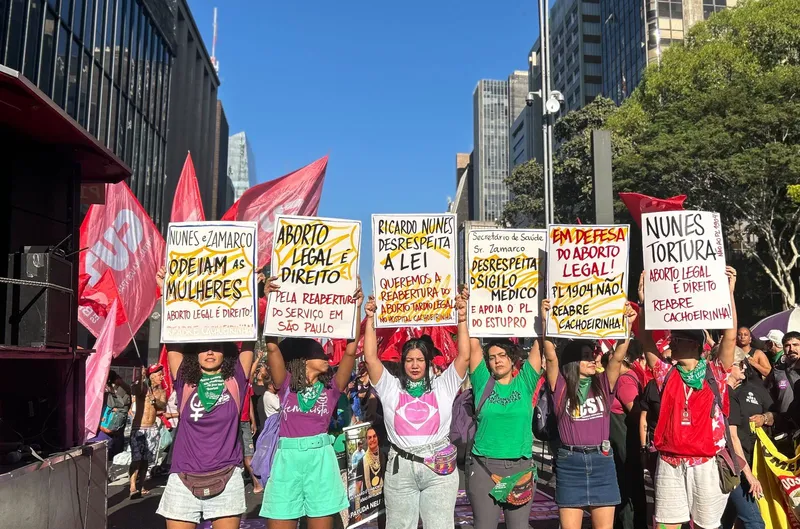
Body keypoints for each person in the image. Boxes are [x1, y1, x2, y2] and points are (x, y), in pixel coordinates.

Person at [259, 277, 363, 529]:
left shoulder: (332, 388)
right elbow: (272, 348)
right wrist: (269, 301)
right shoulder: (285, 383)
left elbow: (350, 351)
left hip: (321, 462)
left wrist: (355, 308)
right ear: (304, 358)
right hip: (286, 463)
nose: (327, 356)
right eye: (321, 352)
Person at [362, 290, 471, 529]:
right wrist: (370, 318)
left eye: (420, 360)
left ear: (427, 362)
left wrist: (462, 319)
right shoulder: (390, 387)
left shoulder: (444, 385)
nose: (414, 365)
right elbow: (370, 358)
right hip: (400, 466)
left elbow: (464, 356)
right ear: (402, 362)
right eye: (409, 360)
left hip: (438, 470)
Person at [639, 267, 738, 529]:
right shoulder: (666, 373)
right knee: (666, 524)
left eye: (677, 339)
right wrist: (644, 301)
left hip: (705, 462)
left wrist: (728, 294)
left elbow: (729, 336)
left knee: (706, 526)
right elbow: (646, 341)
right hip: (670, 461)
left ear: (695, 344)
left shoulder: (715, 372)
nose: (670, 344)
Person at [541, 299, 637, 529]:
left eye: (593, 353)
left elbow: (617, 356)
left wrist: (628, 325)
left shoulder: (603, 384)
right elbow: (551, 357)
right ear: (573, 361)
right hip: (569, 462)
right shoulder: (561, 386)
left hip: (602, 461)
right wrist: (545, 323)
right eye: (587, 355)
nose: (594, 358)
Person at [466, 336, 542, 529]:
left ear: (512, 358)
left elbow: (539, 344)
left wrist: (543, 316)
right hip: (484, 467)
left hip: (520, 468)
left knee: (518, 526)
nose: (497, 360)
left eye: (502, 355)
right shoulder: (482, 380)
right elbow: (473, 344)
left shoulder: (525, 382)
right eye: (492, 357)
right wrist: (467, 313)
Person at [722, 347, 768, 529]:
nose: (744, 368)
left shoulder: (719, 391)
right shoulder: (727, 394)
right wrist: (748, 475)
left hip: (727, 464)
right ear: (729, 366)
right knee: (755, 522)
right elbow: (732, 437)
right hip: (732, 467)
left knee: (724, 520)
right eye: (741, 364)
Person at [609, 340, 647, 529]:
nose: (609, 356)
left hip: (625, 443)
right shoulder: (627, 376)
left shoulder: (624, 380)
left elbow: (637, 414)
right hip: (623, 442)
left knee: (627, 486)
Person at [129, 364, 166, 499]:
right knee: (136, 459)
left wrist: (155, 401)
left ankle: (141, 484)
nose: (162, 377)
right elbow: (135, 389)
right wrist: (141, 375)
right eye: (159, 374)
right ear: (152, 376)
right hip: (139, 427)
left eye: (162, 374)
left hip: (152, 428)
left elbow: (163, 406)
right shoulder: (144, 389)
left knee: (146, 460)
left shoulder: (161, 392)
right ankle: (132, 486)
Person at [240, 384, 261, 493]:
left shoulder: (246, 383)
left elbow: (249, 401)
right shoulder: (244, 381)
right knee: (248, 454)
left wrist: (252, 420)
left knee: (248, 454)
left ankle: (257, 483)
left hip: (244, 420)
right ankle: (256, 483)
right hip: (235, 420)